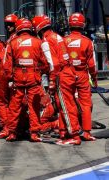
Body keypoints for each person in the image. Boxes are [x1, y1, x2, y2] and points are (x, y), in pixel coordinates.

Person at [32, 14, 82, 145]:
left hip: (61, 75)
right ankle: (65, 132)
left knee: (65, 106)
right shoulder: (58, 36)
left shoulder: (46, 41)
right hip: (69, 72)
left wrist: (52, 81)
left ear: (38, 28)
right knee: (64, 105)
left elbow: (53, 64)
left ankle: (74, 136)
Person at [4, 18, 54, 142]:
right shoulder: (38, 42)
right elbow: (45, 63)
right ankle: (34, 133)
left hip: (18, 78)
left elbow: (7, 64)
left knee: (14, 107)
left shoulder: (12, 43)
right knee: (34, 106)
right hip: (34, 78)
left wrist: (10, 78)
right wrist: (41, 71)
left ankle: (12, 133)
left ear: (19, 28)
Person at [64, 13, 97, 142]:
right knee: (86, 104)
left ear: (69, 24)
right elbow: (92, 64)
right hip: (82, 75)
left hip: (67, 74)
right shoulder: (87, 41)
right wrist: (94, 79)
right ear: (83, 25)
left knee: (68, 103)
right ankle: (87, 132)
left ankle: (69, 132)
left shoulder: (63, 40)